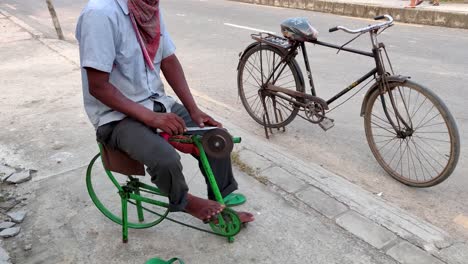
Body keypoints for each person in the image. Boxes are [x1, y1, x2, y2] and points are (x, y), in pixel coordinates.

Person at [75, 0, 254, 224]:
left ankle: (221, 198)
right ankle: (185, 201)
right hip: (116, 116)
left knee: (216, 137)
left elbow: (168, 60)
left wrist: (194, 109)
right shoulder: (100, 14)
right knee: (165, 159)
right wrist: (151, 118)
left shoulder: (149, 8)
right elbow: (98, 86)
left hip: (157, 103)